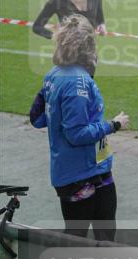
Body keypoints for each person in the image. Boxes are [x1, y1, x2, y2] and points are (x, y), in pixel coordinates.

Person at [28, 15, 129, 240]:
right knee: (85, 238)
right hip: (82, 173)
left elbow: (36, 118)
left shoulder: (53, 75)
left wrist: (52, 105)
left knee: (84, 236)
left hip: (85, 171)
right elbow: (76, 134)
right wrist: (113, 125)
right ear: (88, 46)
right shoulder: (79, 82)